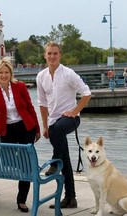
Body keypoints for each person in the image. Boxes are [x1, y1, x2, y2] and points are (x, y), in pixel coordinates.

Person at [0, 58, 41, 213]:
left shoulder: (19, 86)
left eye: (6, 72)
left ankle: (21, 200)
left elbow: (30, 108)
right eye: (1, 72)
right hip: (6, 129)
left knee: (26, 166)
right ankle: (29, 167)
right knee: (8, 161)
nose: (4, 75)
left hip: (25, 127)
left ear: (11, 73)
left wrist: (37, 129)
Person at [36, 41, 91, 209]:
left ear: (60, 55)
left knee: (59, 129)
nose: (52, 56)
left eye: (55, 53)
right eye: (49, 53)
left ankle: (53, 164)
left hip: (70, 119)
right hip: (53, 122)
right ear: (45, 55)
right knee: (65, 161)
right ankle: (70, 198)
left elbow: (87, 93)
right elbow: (42, 103)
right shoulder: (41, 76)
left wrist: (75, 111)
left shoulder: (68, 74)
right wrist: (44, 126)